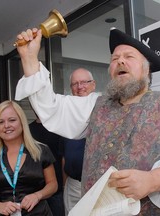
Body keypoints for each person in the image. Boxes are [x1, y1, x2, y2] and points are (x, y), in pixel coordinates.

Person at [14, 28, 160, 215]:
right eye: (115, 59)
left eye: (129, 57)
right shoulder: (95, 104)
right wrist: (30, 59)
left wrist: (152, 180)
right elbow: (53, 109)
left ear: (146, 69)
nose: (120, 62)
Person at [0, 100, 58, 216]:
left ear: (22, 122)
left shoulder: (41, 151)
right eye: (0, 122)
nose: (7, 126)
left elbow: (53, 184)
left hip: (38, 213)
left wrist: (37, 195)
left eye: (12, 120)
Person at [62, 68, 96, 215]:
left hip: (98, 185)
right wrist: (65, 186)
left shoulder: (105, 111)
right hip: (73, 185)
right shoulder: (66, 116)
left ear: (93, 85)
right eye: (75, 84)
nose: (79, 87)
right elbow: (64, 156)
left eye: (84, 82)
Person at [29, 114, 65, 216]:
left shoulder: (58, 128)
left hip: (56, 187)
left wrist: (64, 183)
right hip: (34, 190)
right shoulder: (28, 130)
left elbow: (63, 158)